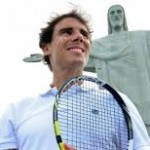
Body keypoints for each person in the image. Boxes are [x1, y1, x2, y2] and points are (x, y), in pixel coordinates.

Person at [0, 7, 150, 150]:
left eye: (85, 35)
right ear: (46, 48)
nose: (79, 37)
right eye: (67, 32)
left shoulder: (119, 103)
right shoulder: (17, 111)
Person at [84, 4, 150, 136]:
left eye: (119, 12)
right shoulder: (99, 46)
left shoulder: (140, 38)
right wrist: (50, 56)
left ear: (124, 16)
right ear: (108, 18)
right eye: (112, 13)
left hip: (142, 98)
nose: (116, 15)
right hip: (116, 98)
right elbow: (77, 55)